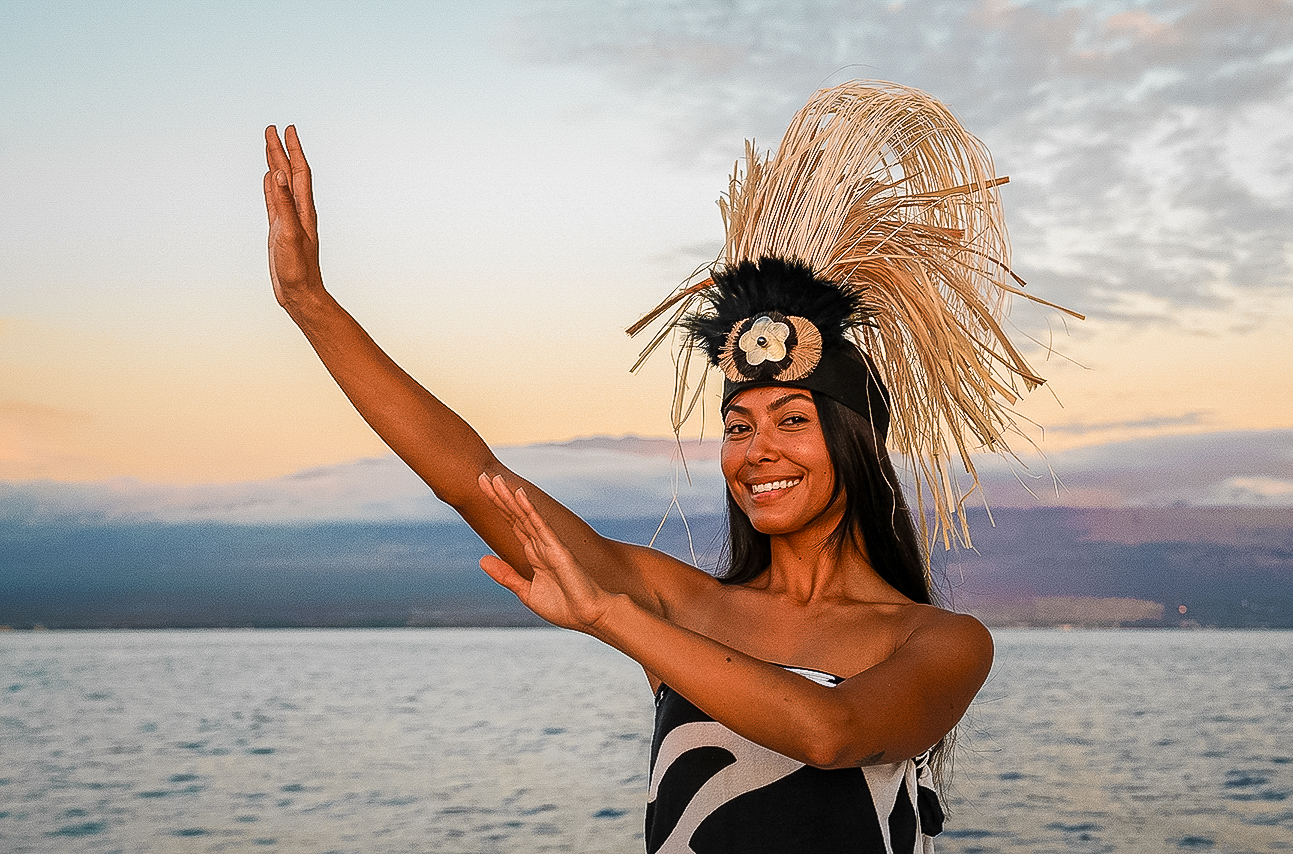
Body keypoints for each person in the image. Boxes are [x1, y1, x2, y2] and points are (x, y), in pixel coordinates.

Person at [265, 80, 1064, 854]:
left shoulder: (942, 641)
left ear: (855, 443)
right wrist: (311, 304)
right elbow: (470, 476)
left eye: (793, 421)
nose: (758, 453)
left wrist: (610, 616)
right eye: (737, 426)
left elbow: (833, 733)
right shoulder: (679, 603)